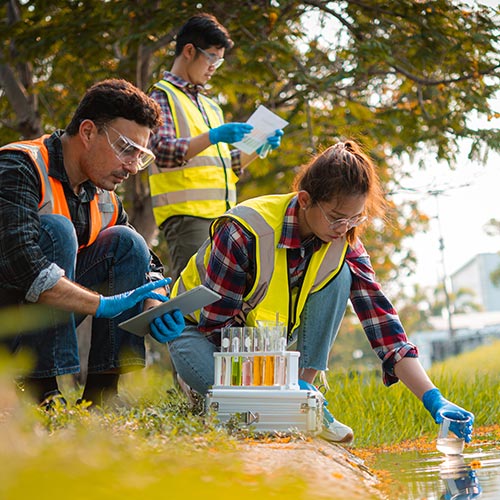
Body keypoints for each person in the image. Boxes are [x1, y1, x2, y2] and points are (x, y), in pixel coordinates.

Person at [162, 139, 474, 444]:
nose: (344, 228)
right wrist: (282, 388)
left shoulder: (345, 242)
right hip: (200, 336)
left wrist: (434, 398)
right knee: (257, 420)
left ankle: (303, 394)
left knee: (341, 276)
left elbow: (382, 323)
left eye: (355, 218)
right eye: (337, 217)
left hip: (266, 350)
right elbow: (218, 329)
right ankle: (270, 400)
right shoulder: (245, 231)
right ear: (305, 200)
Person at [0, 79, 185, 409]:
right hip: (9, 329)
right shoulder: (18, 167)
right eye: (126, 149)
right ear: (87, 132)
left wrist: (155, 303)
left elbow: (150, 264)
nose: (131, 167)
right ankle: (41, 392)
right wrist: (100, 304)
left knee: (127, 242)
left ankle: (103, 398)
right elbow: (22, 263)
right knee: (58, 230)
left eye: (139, 156)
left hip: (42, 322)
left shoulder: (103, 197)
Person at [148, 13, 283, 281]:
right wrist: (214, 135)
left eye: (218, 61)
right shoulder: (161, 95)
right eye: (211, 57)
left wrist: (258, 146)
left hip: (223, 218)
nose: (213, 67)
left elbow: (227, 166)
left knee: (222, 294)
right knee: (191, 294)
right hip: (187, 219)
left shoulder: (210, 105)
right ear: (189, 51)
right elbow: (162, 151)